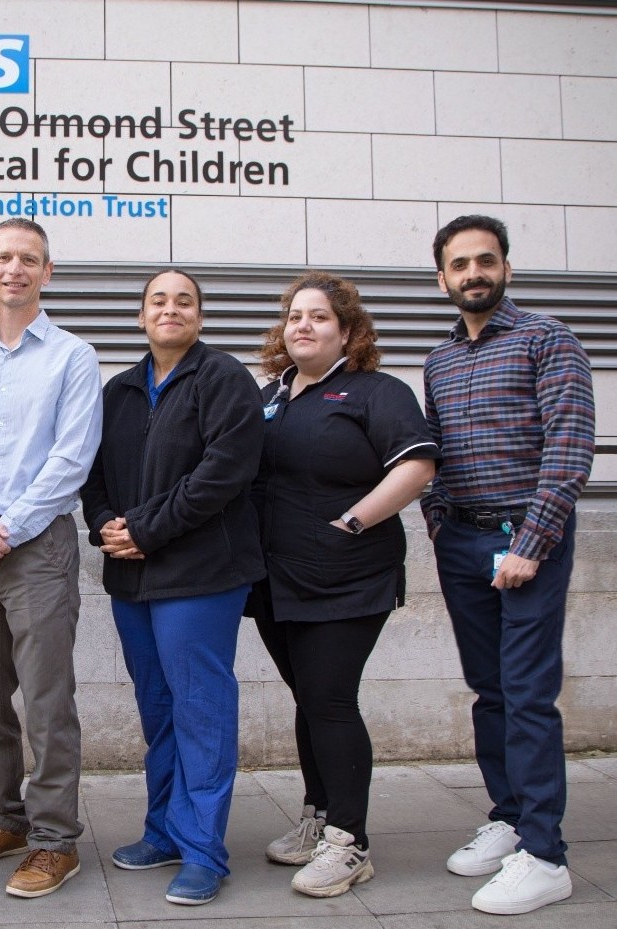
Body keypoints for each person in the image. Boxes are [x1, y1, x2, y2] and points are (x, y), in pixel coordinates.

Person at [423, 215, 595, 915]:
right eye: (458, 264)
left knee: (525, 692)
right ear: (441, 277)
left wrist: (530, 540)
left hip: (527, 538)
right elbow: (431, 453)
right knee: (487, 687)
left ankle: (544, 853)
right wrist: (437, 524)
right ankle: (509, 814)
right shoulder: (438, 360)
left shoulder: (545, 338)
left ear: (506, 268)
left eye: (484, 260)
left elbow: (570, 442)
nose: (472, 273)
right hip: (460, 542)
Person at [249, 271, 439, 898]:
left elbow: (415, 466)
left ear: (348, 331)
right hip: (280, 581)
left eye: (320, 317)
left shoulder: (373, 391)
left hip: (348, 576)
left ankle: (349, 842)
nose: (303, 326)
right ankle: (320, 814)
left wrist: (352, 522)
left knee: (329, 699)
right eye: (295, 316)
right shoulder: (272, 395)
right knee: (309, 698)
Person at [80, 270, 264, 906]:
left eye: (184, 300)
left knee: (200, 709)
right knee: (158, 708)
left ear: (200, 317)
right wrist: (105, 524)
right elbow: (93, 473)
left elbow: (224, 474)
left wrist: (147, 530)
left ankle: (204, 850)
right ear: (140, 317)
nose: (171, 309)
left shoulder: (224, 381)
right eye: (158, 300)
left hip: (202, 576)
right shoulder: (120, 391)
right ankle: (163, 830)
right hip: (132, 577)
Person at [0, 218, 102, 899]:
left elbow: (71, 458)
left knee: (45, 699)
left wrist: (8, 526)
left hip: (37, 548)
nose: (14, 269)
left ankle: (55, 839)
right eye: (3, 258)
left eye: (27, 259)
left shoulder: (72, 357)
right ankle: (3, 817)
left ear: (46, 271)